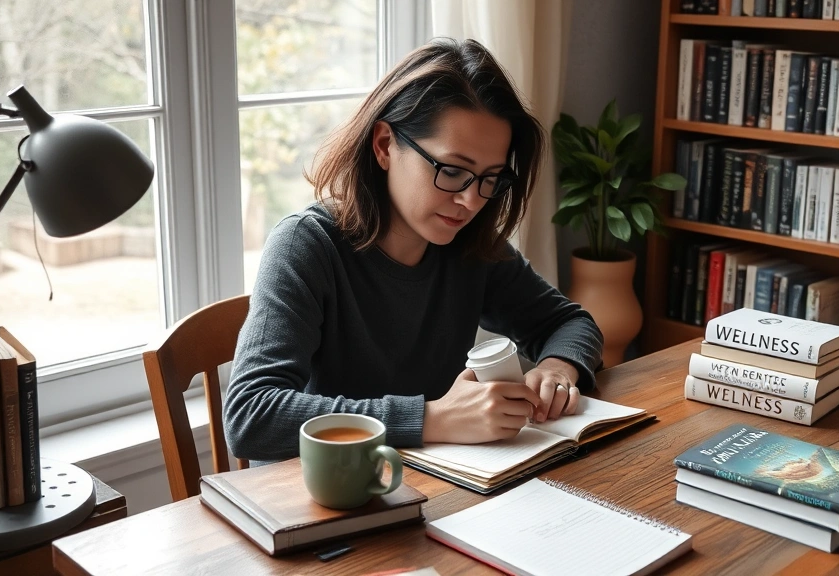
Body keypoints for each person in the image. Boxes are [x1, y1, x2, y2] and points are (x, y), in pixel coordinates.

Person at [224, 38, 603, 464]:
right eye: (453, 170)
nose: (472, 201)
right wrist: (432, 418)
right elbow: (251, 416)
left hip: (433, 486)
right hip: (318, 505)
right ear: (385, 145)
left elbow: (569, 322)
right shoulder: (306, 245)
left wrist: (556, 369)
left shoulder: (469, 244)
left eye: (490, 178)